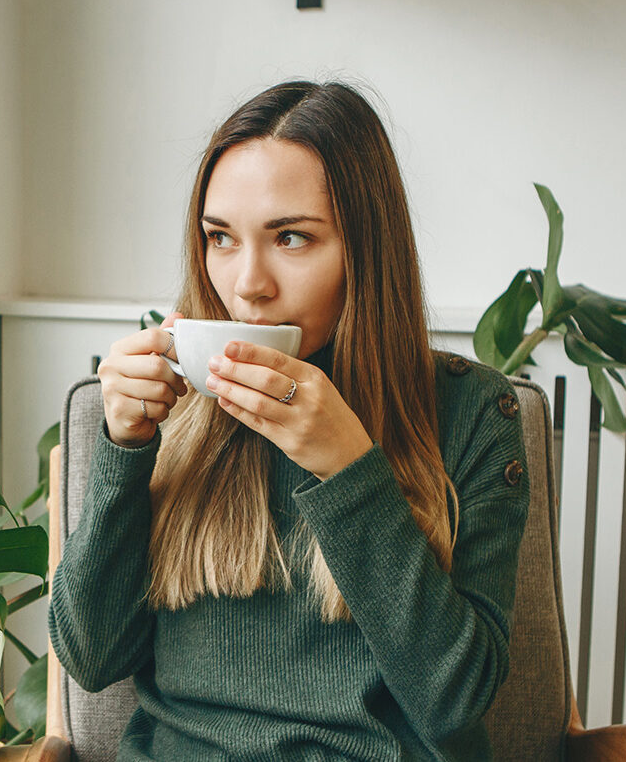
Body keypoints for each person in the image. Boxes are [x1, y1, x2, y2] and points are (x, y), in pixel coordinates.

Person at [48, 80, 531, 761]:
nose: (248, 284)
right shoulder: (177, 407)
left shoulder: (472, 413)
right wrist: (126, 449)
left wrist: (349, 469)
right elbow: (92, 658)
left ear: (366, 250)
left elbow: (455, 703)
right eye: (220, 237)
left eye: (292, 237)